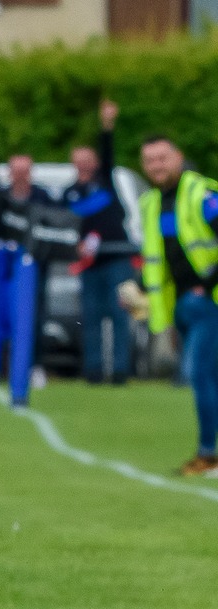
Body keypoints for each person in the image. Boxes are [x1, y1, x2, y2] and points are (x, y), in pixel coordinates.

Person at [134, 137, 218, 475]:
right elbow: (161, 257)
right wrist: (142, 294)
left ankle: (208, 454)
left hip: (209, 303)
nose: (157, 166)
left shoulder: (200, 194)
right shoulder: (152, 203)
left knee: (199, 373)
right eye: (150, 160)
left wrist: (207, 285)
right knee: (208, 376)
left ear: (178, 157)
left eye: (163, 158)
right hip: (181, 307)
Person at [67, 99, 133, 385]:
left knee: (120, 317)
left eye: (87, 159)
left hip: (116, 257)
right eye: (77, 160)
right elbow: (67, 226)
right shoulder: (70, 193)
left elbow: (109, 152)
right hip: (90, 264)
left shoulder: (105, 181)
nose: (83, 164)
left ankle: (120, 371)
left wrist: (107, 125)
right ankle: (93, 371)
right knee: (91, 319)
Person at [0, 152, 54, 393]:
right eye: (16, 171)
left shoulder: (42, 196)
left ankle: (34, 366)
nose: (20, 176)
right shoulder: (0, 197)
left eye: (25, 171)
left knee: (33, 316)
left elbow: (51, 228)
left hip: (31, 267)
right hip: (2, 269)